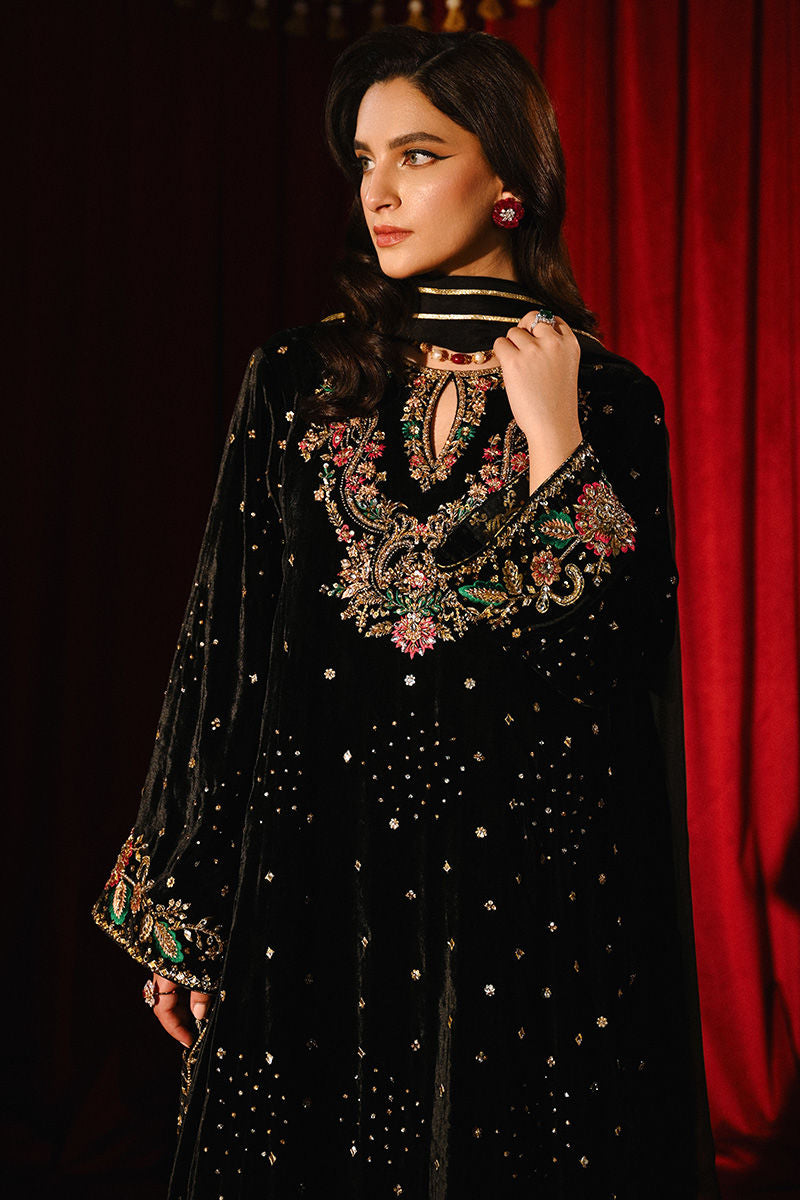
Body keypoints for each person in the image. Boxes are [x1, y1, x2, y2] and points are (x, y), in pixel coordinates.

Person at [92, 25, 719, 1200]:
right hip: (313, 880)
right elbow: (224, 650)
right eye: (364, 159)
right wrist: (190, 899)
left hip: (520, 908)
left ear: (509, 180)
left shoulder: (606, 401)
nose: (376, 191)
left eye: (417, 156)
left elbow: (611, 668)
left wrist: (553, 435)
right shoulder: (296, 383)